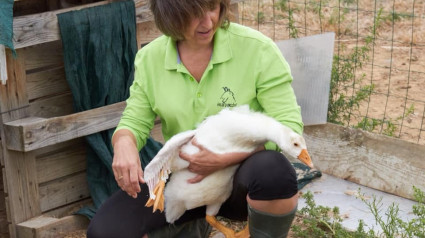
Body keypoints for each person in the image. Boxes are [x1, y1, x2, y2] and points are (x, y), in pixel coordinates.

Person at [87, 0, 303, 237]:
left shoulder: (257, 49)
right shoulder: (150, 58)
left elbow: (288, 126)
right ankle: (192, 224)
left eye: (212, 7)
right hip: (184, 181)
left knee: (274, 171)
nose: (208, 21)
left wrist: (226, 158)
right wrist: (124, 143)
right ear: (169, 15)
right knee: (104, 231)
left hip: (240, 181)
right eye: (194, 14)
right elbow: (135, 121)